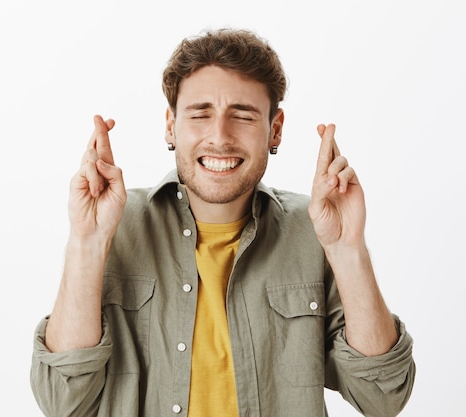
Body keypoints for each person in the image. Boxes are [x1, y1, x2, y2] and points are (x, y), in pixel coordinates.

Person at [30, 28, 415, 417]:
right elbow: (64, 402)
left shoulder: (314, 230)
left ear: (275, 129)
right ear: (171, 125)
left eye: (243, 116)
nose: (220, 136)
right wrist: (87, 242)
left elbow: (382, 397)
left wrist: (348, 250)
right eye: (200, 113)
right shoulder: (116, 225)